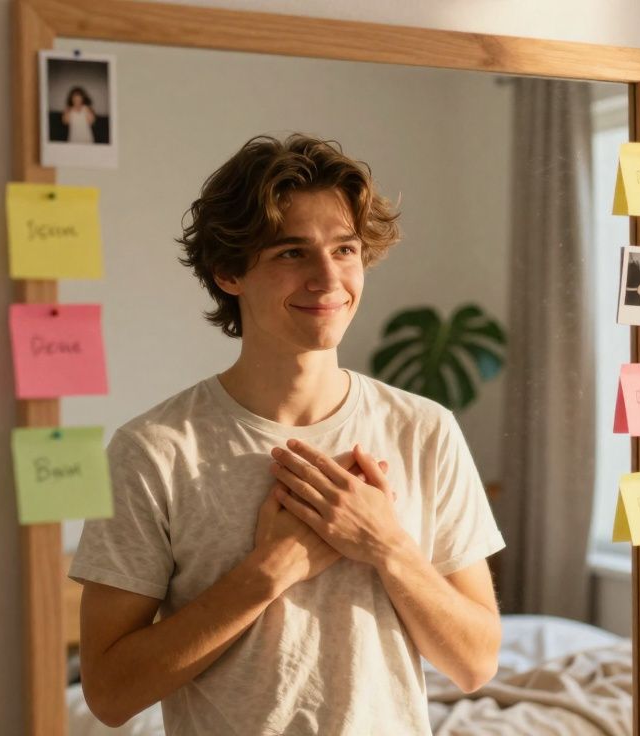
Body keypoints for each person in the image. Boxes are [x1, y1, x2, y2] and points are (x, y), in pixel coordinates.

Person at [69, 134, 504, 734]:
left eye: (345, 249)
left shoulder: (425, 430)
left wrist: (387, 545)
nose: (328, 279)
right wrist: (268, 572)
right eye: (292, 253)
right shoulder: (153, 451)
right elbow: (110, 695)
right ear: (228, 272)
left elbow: (477, 663)